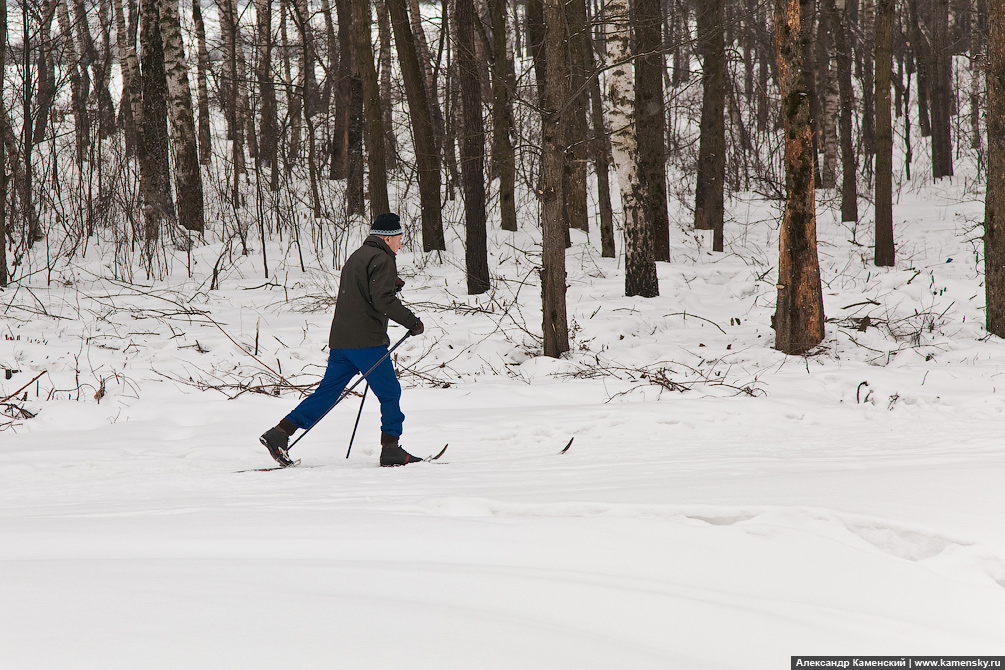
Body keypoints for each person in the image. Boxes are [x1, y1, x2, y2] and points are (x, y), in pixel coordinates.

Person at [260, 212, 425, 467]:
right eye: (399, 238)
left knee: (328, 392)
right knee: (390, 392)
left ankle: (280, 433)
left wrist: (390, 285)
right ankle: (391, 448)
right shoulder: (383, 258)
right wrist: (412, 322)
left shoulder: (358, 255)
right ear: (388, 238)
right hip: (366, 341)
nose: (401, 244)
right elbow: (382, 300)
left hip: (342, 340)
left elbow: (363, 292)